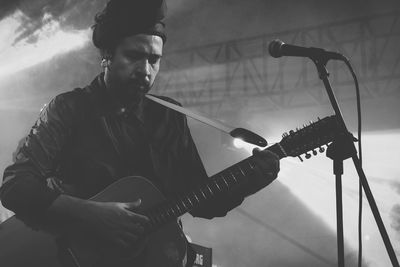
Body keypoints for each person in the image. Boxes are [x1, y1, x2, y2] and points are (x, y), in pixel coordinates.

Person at [0, 0, 280, 266]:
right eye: (134, 56)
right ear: (108, 54)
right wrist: (92, 214)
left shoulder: (170, 116)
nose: (145, 70)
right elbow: (15, 186)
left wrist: (253, 178)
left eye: (154, 60)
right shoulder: (69, 108)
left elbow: (200, 199)